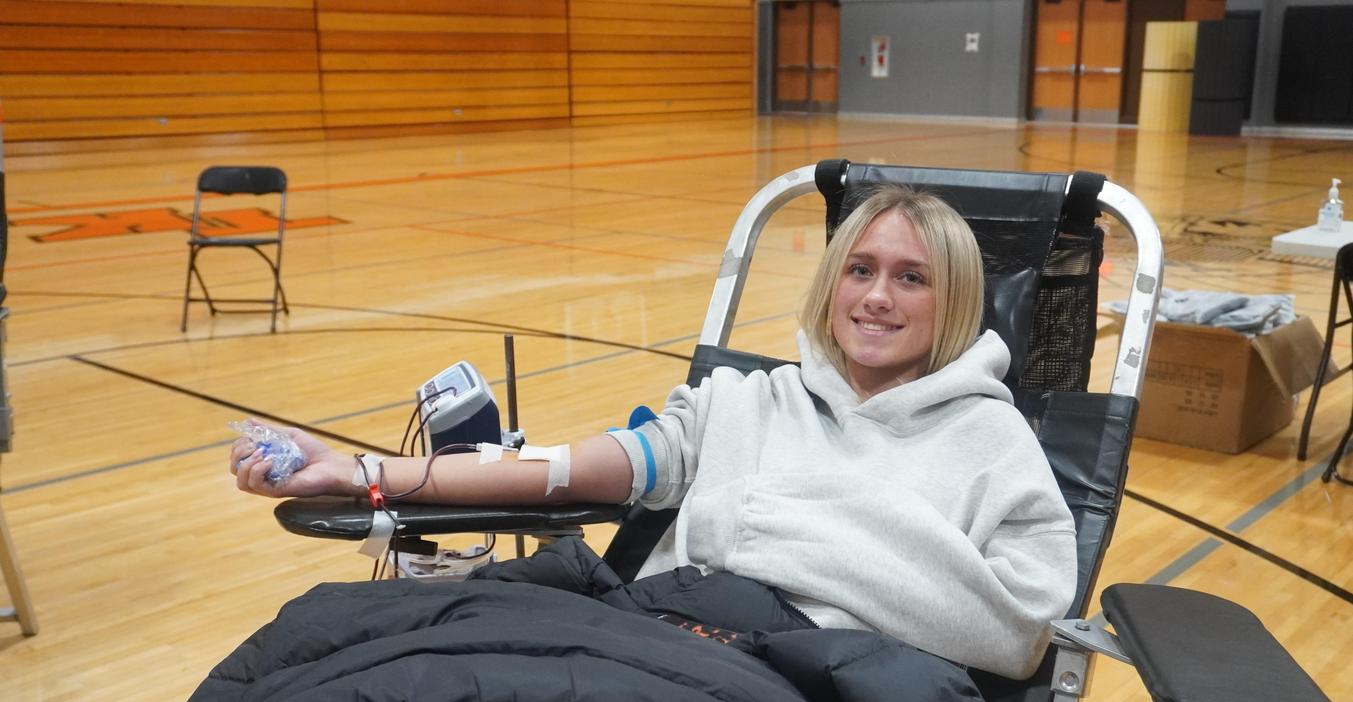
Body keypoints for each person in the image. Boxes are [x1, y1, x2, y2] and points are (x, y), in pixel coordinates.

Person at [230, 185, 1076, 680]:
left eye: (910, 278)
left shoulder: (990, 444)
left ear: (954, 301)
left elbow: (1014, 634)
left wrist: (772, 525)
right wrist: (360, 472)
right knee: (328, 642)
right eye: (859, 269)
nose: (876, 297)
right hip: (647, 631)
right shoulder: (748, 401)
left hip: (793, 675)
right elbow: (557, 472)